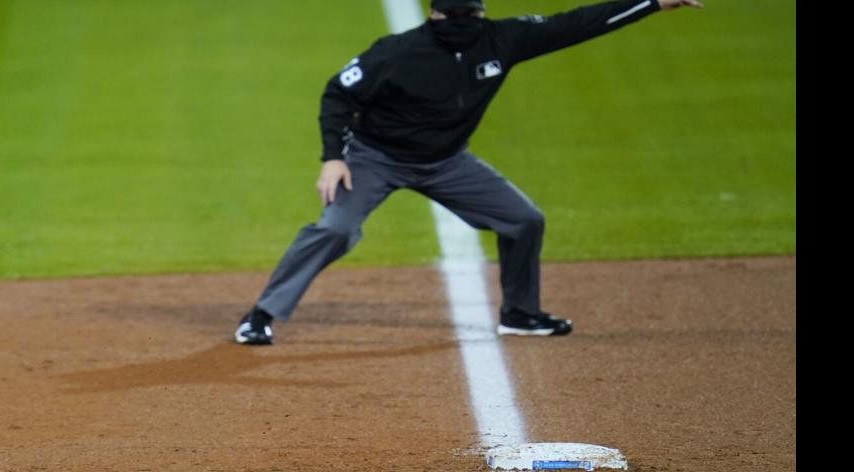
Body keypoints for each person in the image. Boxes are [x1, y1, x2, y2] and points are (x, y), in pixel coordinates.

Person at [233, 0, 704, 346]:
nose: (462, 24)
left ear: (479, 13)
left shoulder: (502, 40)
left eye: (468, 16)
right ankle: (261, 314)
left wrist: (649, 3)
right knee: (335, 228)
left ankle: (520, 312)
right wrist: (333, 156)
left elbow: (575, 25)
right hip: (375, 157)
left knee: (524, 220)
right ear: (435, 14)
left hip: (447, 161)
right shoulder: (396, 52)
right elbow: (339, 93)